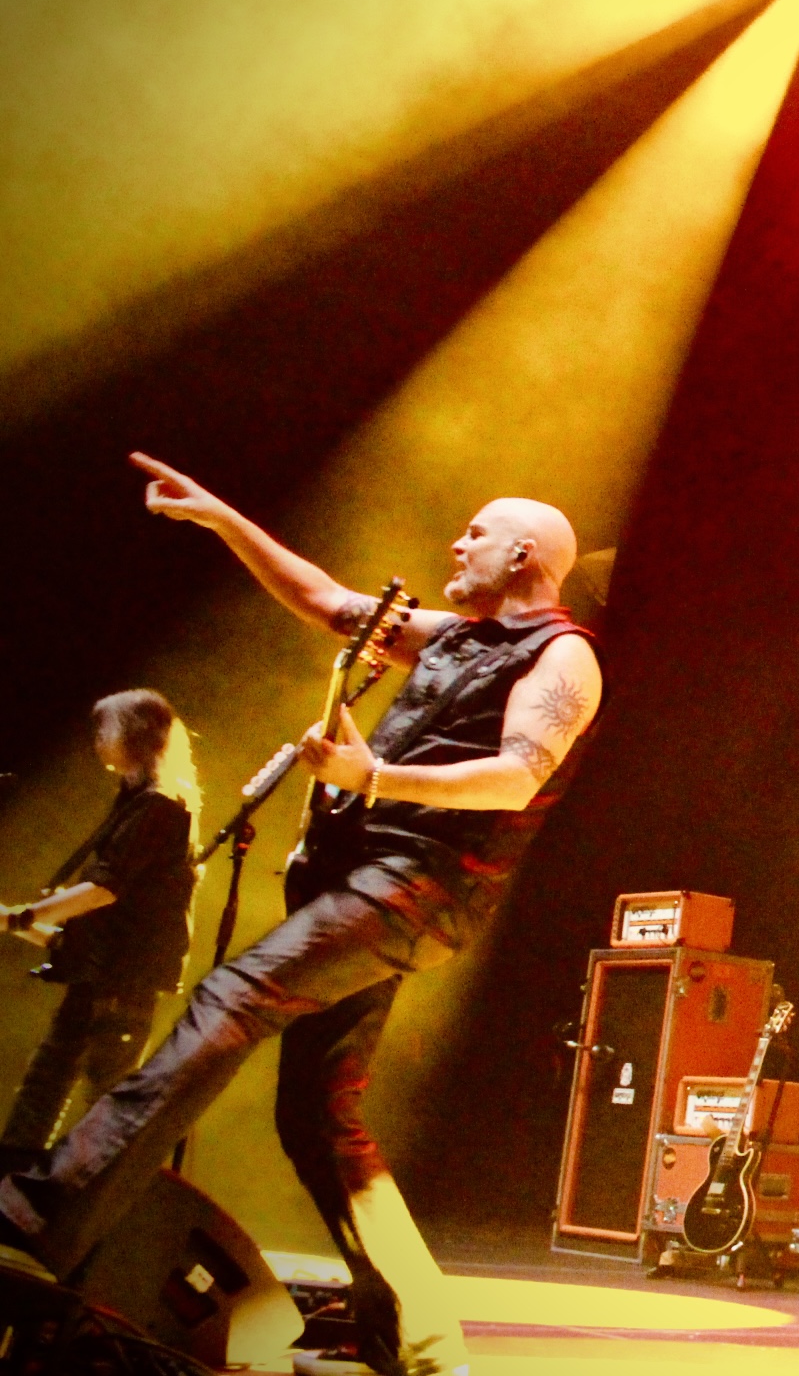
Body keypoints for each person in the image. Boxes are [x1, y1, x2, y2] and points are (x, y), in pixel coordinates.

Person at [0, 453, 603, 1376]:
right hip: (364, 880)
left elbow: (518, 774)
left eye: (476, 532)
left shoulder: (562, 654)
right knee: (316, 1116)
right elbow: (325, 600)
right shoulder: (452, 636)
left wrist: (375, 776)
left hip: (419, 887)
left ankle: (41, 1207)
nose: (457, 542)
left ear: (524, 554)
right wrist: (220, 516)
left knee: (234, 996)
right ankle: (425, 1341)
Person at [2, 691, 201, 1151]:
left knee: (95, 1103)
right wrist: (20, 924)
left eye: (104, 728)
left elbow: (104, 890)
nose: (96, 739)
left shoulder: (160, 806)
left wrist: (21, 918)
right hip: (101, 978)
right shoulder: (137, 802)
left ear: (135, 735)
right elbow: (104, 919)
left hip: (120, 985)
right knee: (47, 1093)